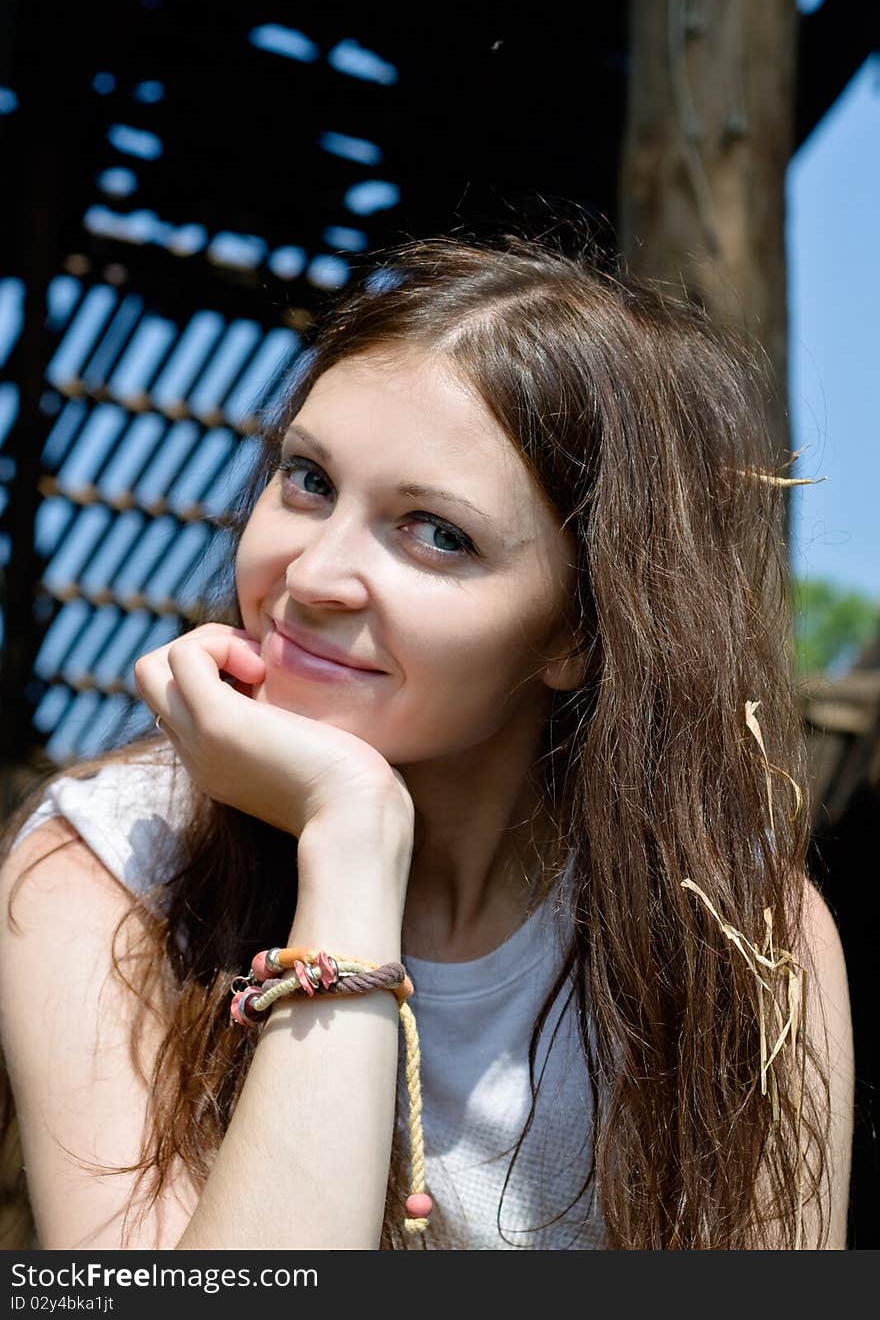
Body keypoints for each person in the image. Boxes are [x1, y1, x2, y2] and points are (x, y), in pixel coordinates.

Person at [0, 234, 853, 1250]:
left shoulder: (740, 931)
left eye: (435, 532)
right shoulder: (105, 869)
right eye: (307, 478)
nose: (312, 574)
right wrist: (350, 843)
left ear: (577, 632)